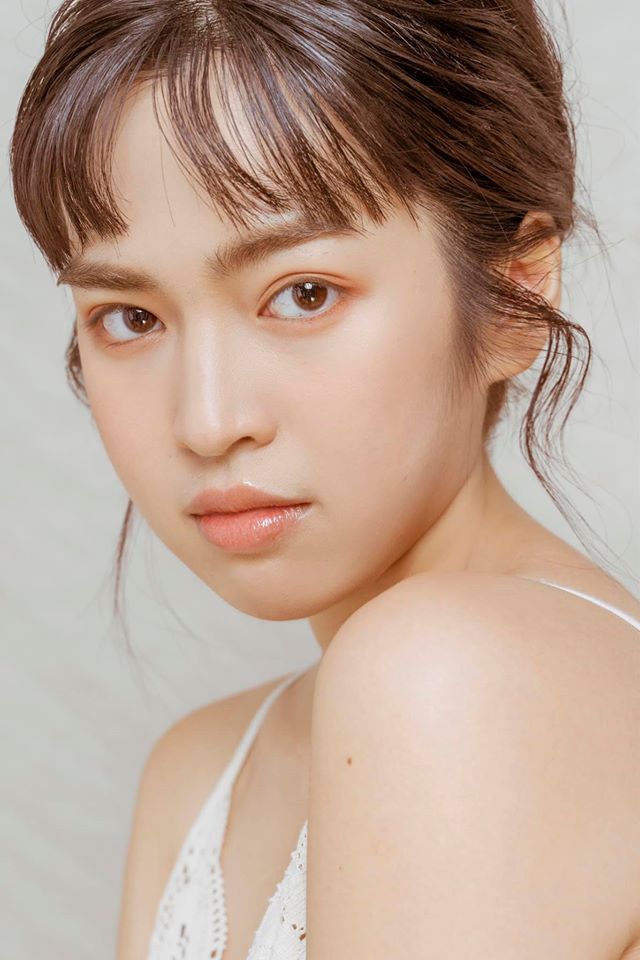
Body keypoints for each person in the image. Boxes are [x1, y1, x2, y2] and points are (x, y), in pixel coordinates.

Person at [10, 1, 640, 958]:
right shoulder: (201, 774)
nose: (208, 421)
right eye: (129, 317)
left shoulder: (449, 675)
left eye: (303, 295)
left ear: (514, 295)